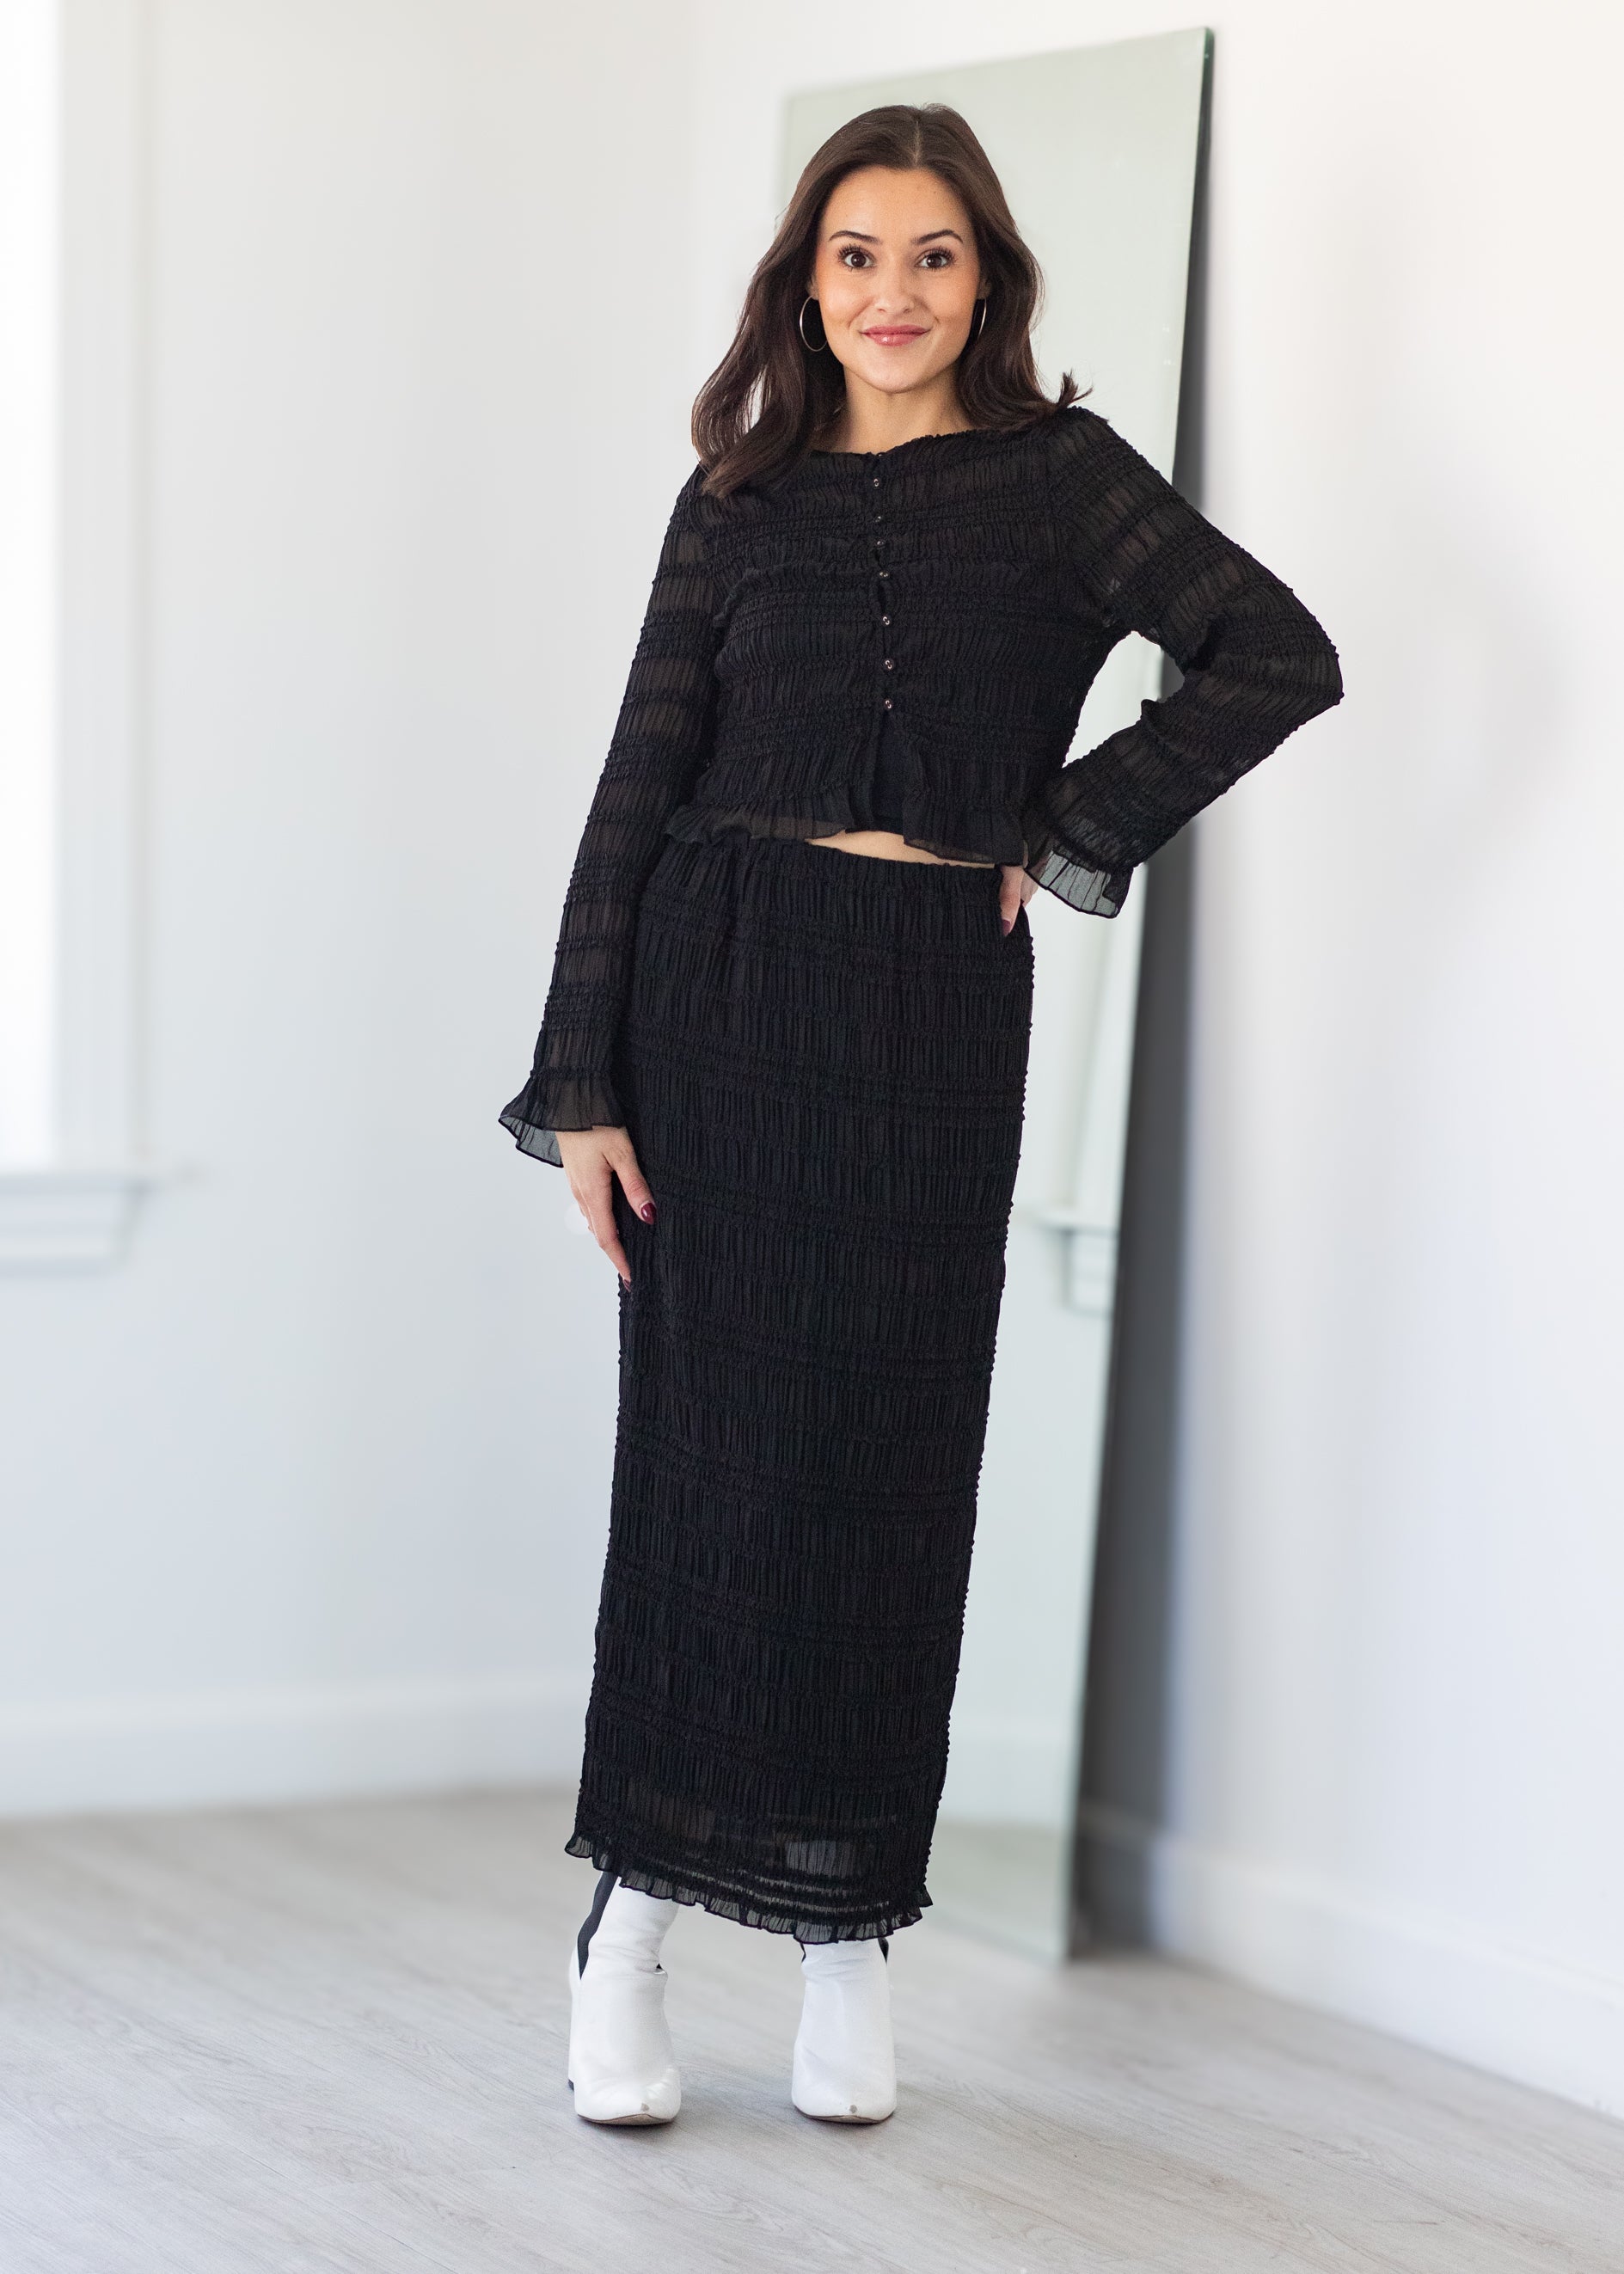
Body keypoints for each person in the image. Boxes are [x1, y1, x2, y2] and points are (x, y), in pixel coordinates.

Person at [499, 101, 1342, 2128]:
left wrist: (1061, 826)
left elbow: (1275, 651)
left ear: (991, 278)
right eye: (857, 254)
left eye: (935, 255)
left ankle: (848, 1934)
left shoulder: (1065, 485)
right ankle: (627, 1930)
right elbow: (635, 785)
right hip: (715, 990)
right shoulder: (740, 499)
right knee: (705, 1474)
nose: (894, 293)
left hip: (926, 1011)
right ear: (809, 278)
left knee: (885, 1464)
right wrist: (585, 1078)